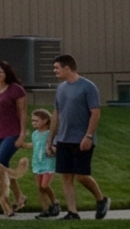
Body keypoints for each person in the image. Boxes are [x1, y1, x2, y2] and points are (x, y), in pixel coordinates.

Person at [46, 53, 109, 219]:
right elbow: (57, 114)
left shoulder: (88, 87)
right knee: (66, 177)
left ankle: (101, 199)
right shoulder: (61, 88)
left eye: (57, 68)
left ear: (68, 68)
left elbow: (95, 113)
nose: (55, 71)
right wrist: (51, 140)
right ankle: (72, 212)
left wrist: (88, 136)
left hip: (82, 139)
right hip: (63, 139)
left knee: (81, 176)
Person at [24, 107, 60, 217]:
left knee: (45, 185)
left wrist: (54, 149)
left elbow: (55, 146)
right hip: (37, 162)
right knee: (39, 187)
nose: (33, 123)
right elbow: (35, 145)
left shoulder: (50, 133)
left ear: (45, 121)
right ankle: (45, 209)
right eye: (32, 120)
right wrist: (23, 145)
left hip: (48, 162)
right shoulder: (34, 134)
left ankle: (54, 203)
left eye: (36, 120)